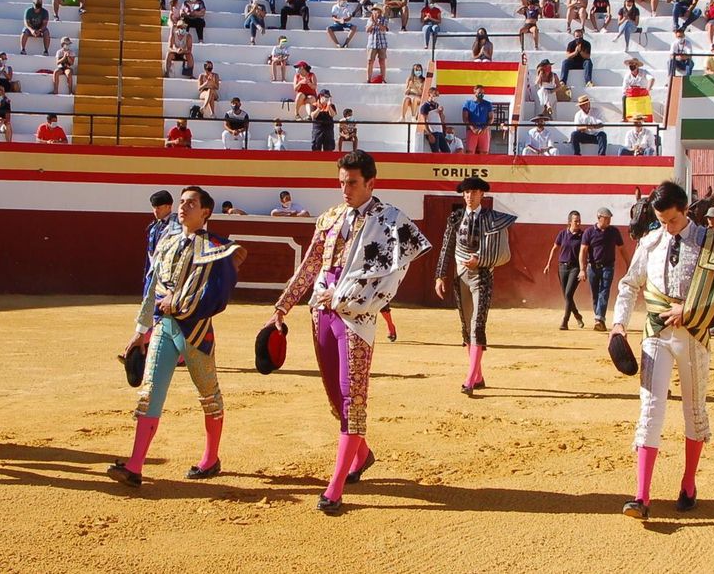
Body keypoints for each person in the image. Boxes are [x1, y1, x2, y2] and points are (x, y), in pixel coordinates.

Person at [268, 151, 430, 512]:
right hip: (321, 313)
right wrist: (282, 305)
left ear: (371, 183)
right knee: (333, 395)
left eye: (352, 183)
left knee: (351, 398)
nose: (345, 189)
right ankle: (363, 453)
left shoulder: (389, 220)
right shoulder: (328, 217)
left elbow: (391, 274)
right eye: (341, 182)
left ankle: (335, 487)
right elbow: (310, 265)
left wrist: (342, 294)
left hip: (356, 317)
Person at [614, 180, 714, 522]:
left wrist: (689, 311)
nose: (667, 227)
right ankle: (641, 495)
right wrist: (619, 325)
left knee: (694, 409)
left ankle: (688, 483)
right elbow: (630, 284)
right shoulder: (650, 241)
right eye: (661, 221)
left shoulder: (710, 242)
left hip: (693, 333)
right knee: (650, 408)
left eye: (672, 221)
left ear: (686, 211)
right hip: (657, 331)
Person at [111, 186, 245, 488]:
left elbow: (218, 295)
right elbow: (153, 288)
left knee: (209, 395)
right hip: (164, 328)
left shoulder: (218, 247)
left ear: (205, 212)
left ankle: (210, 459)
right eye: (182, 202)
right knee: (149, 393)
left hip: (195, 331)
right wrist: (141, 331)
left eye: (191, 204)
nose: (183, 207)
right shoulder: (167, 241)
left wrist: (179, 303)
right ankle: (135, 465)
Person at [434, 176, 517, 396]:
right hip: (461, 275)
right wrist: (440, 276)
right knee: (466, 326)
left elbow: (502, 251)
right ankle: (478, 376)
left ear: (482, 195)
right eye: (466, 192)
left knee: (477, 325)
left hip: (482, 277)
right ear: (463, 195)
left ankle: (469, 379)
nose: (470, 196)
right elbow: (446, 246)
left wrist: (480, 259)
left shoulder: (493, 218)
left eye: (474, 192)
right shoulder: (456, 217)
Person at [582, 208, 628, 331]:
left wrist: (629, 264)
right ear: (599, 218)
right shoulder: (589, 232)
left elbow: (622, 249)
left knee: (604, 291)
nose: (609, 220)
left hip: (608, 266)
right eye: (606, 218)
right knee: (595, 294)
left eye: (609, 218)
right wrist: (582, 269)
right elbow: (583, 251)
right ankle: (599, 318)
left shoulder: (614, 232)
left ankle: (599, 319)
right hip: (592, 267)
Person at [546, 211, 589, 330]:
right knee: (567, 295)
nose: (579, 223)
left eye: (579, 220)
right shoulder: (562, 234)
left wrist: (584, 268)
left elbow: (586, 251)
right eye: (576, 221)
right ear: (570, 222)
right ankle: (577, 315)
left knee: (569, 293)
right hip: (562, 267)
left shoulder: (583, 235)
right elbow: (555, 248)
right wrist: (548, 263)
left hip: (575, 268)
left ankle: (565, 320)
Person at [461, 85, 493, 154]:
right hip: (471, 131)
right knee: (470, 152)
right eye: (479, 92)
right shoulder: (468, 103)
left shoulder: (488, 104)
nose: (481, 94)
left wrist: (485, 128)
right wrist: (473, 129)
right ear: (474, 92)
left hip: (484, 131)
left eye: (483, 93)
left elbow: (491, 118)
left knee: (484, 152)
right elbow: (465, 118)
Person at [418, 85, 449, 152]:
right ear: (430, 94)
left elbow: (442, 119)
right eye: (435, 94)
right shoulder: (425, 106)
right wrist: (429, 134)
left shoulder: (436, 105)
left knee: (447, 151)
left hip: (440, 131)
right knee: (435, 152)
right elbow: (424, 121)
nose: (436, 96)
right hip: (433, 132)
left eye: (437, 95)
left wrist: (441, 112)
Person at [364, 8, 389, 83]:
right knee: (370, 61)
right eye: (374, 10)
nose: (375, 12)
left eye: (377, 11)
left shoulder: (384, 19)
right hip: (372, 43)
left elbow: (384, 29)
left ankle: (383, 78)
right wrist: (372, 23)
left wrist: (377, 23)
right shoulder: (370, 20)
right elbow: (367, 30)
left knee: (382, 61)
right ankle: (368, 79)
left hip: (382, 43)